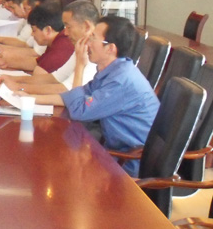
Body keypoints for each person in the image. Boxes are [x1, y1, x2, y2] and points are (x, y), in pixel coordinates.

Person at [32, 16, 160, 177]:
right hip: (112, 150)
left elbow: (79, 110)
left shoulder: (120, 81)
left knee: (58, 165)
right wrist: (26, 98)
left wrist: (80, 65)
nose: (88, 43)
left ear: (110, 48)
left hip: (127, 162)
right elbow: (74, 96)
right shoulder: (113, 70)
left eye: (93, 38)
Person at [0, 0, 99, 94]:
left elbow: (66, 90)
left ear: (87, 27)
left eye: (68, 27)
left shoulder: (95, 52)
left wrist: (19, 87)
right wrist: (14, 79)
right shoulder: (81, 46)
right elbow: (55, 78)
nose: (66, 32)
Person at [0, 0, 73, 73]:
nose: (32, 34)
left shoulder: (62, 44)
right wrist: (7, 62)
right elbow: (37, 62)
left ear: (48, 30)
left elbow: (39, 73)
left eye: (34, 30)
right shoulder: (54, 40)